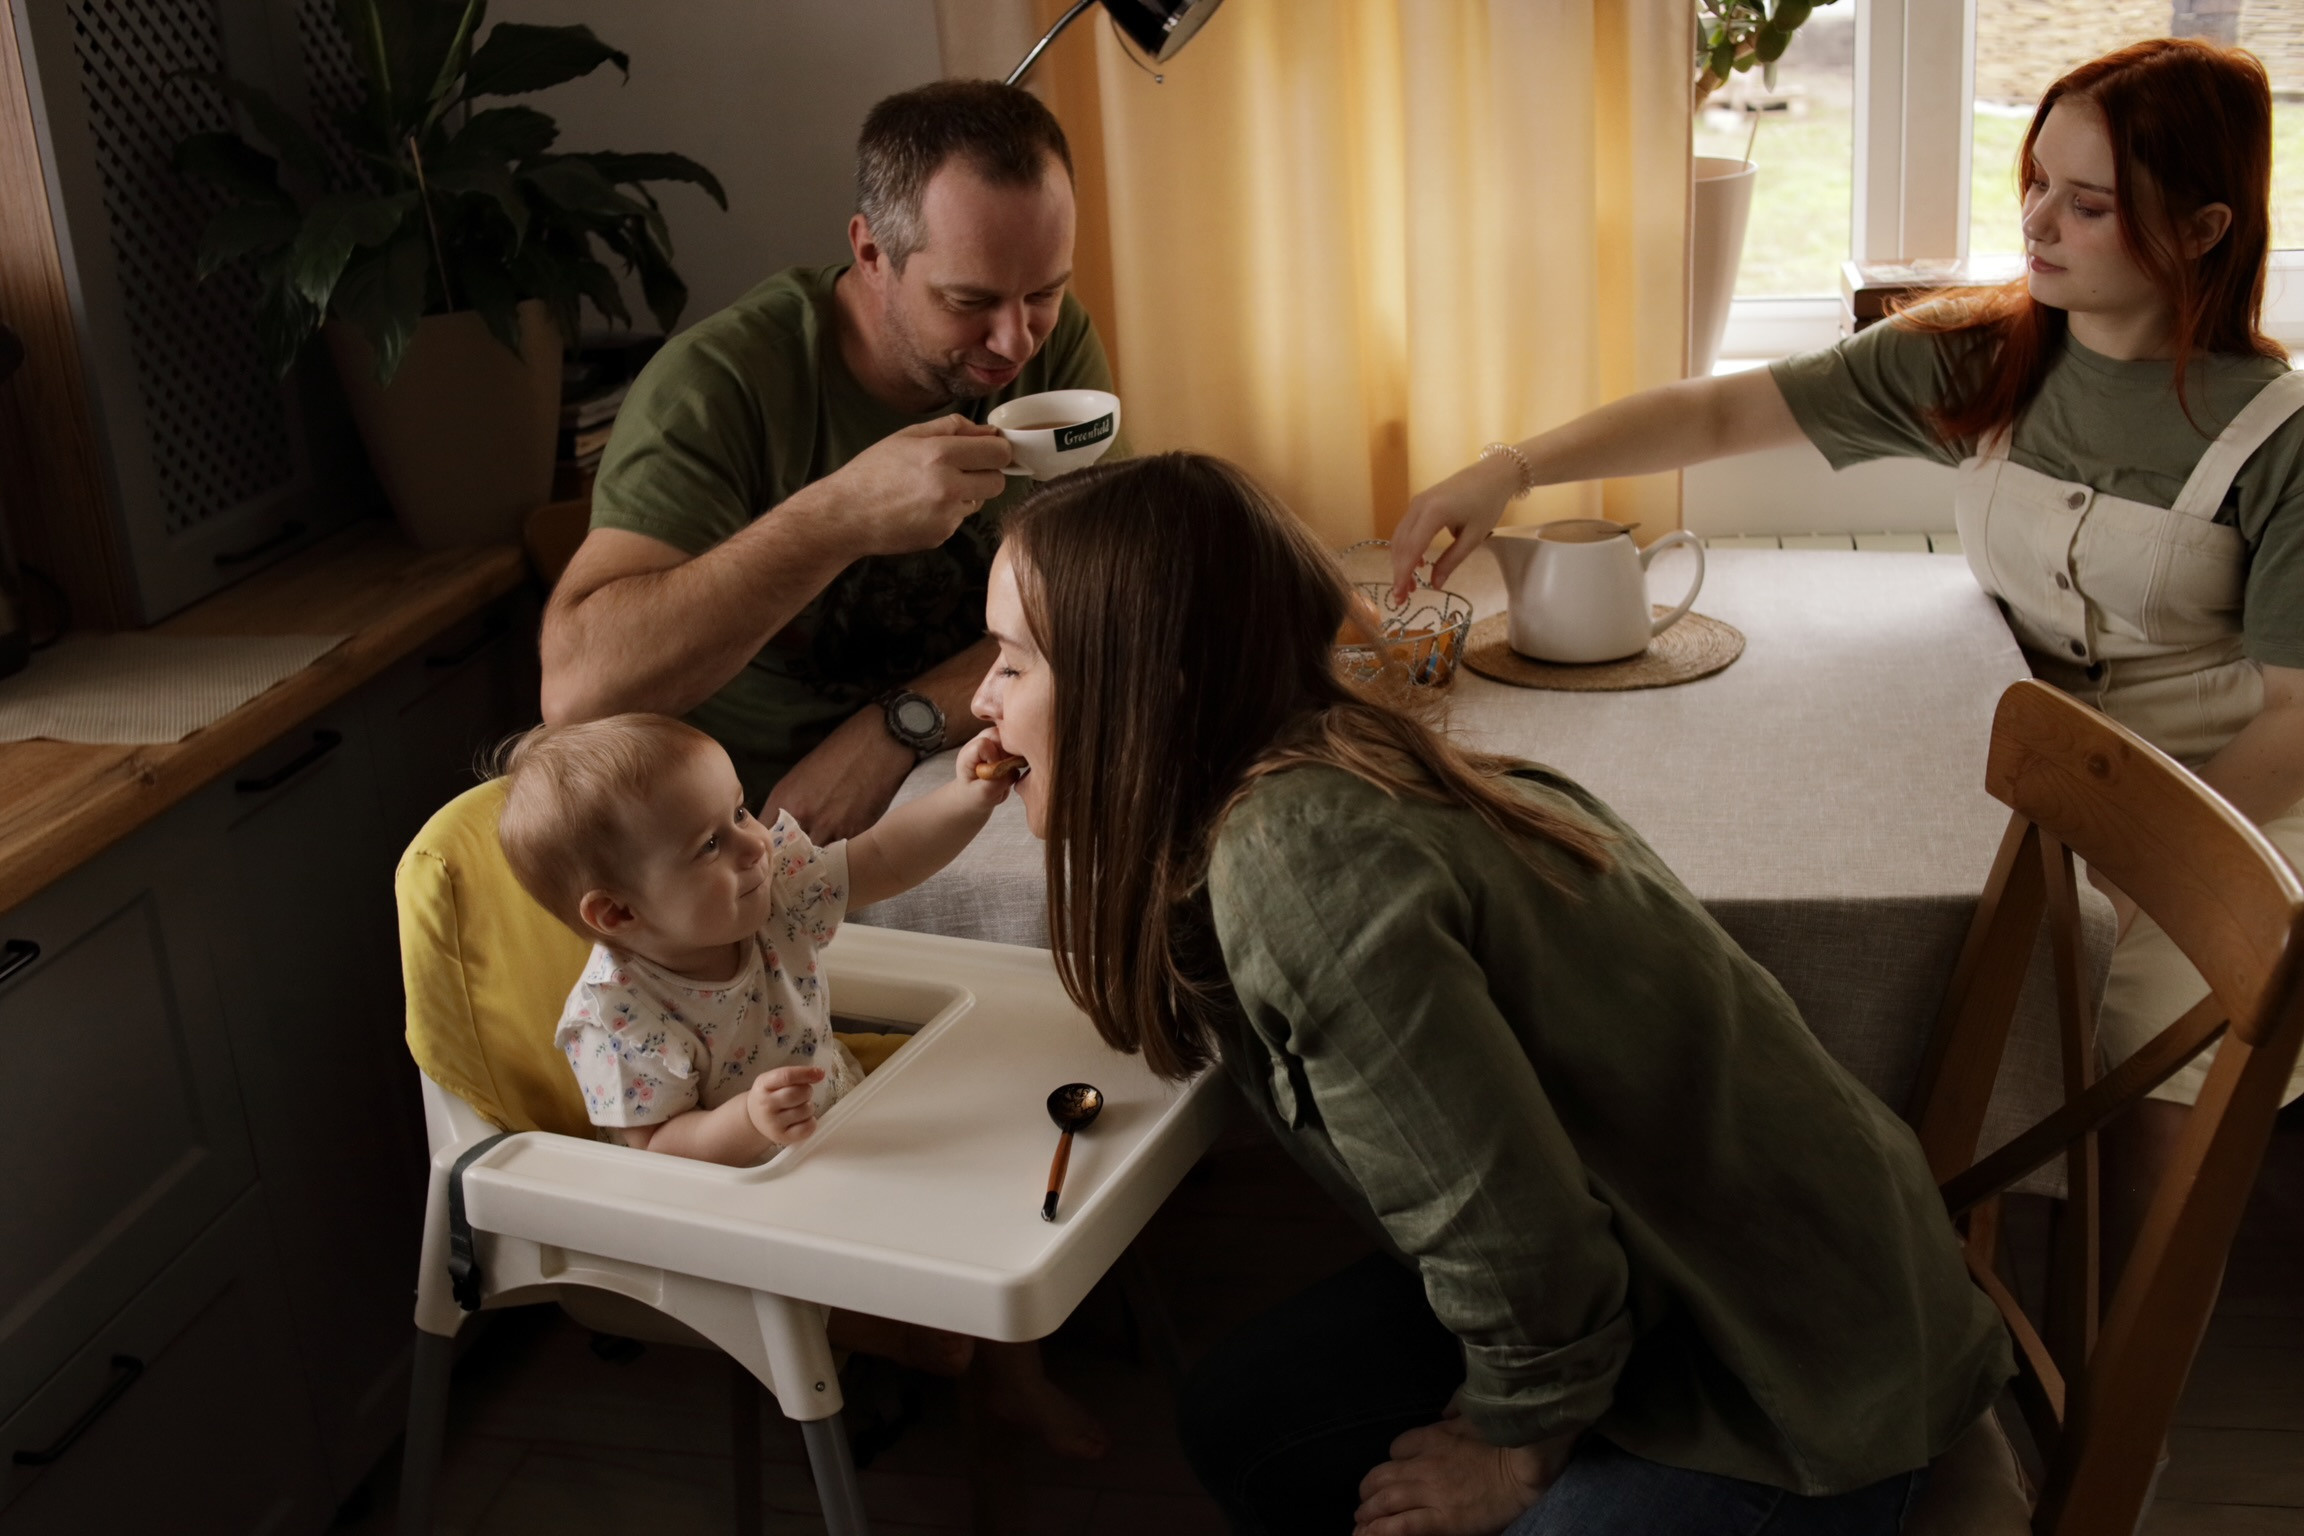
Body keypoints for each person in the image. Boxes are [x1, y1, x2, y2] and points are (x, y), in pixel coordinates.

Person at [1389, 37, 2304, 1282]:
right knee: (1908, 982)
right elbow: (1720, 413)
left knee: (2146, 1082)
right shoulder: (1987, 354)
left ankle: (2111, 1384)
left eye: (2086, 204)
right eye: (2036, 179)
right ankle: (1922, 1278)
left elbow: (2297, 716)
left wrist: (2148, 856)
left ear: (2201, 230)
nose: (2035, 218)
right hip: (2032, 758)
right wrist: (1506, 469)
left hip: (2225, 789)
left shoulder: (2279, 437)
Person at [968, 452, 2010, 1535]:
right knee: (1242, 1419)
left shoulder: (1297, 864)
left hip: (1801, 1374)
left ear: (1153, 686)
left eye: (1012, 663)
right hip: (1710, 1262)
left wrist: (1511, 1449)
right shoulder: (1330, 760)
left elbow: (1520, 1251)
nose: (981, 703)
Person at [492, 713, 1108, 1458]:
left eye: (740, 811)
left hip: (840, 1124)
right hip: (745, 1199)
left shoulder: (769, 889)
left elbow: (881, 858)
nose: (754, 843)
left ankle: (1015, 1381)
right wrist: (746, 1124)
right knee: (917, 1327)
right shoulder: (617, 1019)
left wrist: (964, 800)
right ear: (618, 912)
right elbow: (652, 1147)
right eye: (710, 844)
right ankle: (891, 1348)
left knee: (983, 1227)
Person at [539, 79, 1123, 842]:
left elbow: (1104, 600)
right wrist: (838, 516)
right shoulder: (719, 387)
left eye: (1045, 290)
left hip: (964, 747)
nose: (1017, 340)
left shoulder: (1054, 339)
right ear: (872, 253)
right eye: (968, 301)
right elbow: (580, 691)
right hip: (761, 832)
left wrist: (897, 726)